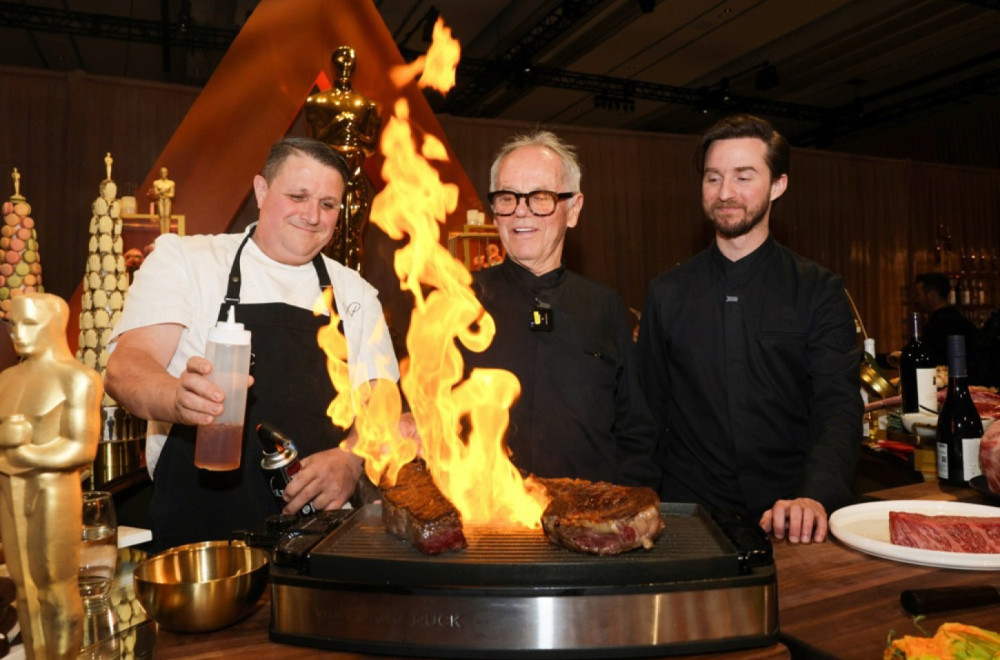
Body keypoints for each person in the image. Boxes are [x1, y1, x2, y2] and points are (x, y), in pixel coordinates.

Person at [105, 137, 401, 552]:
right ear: (262, 191)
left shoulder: (355, 293)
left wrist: (352, 458)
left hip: (321, 536)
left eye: (328, 204)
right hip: (201, 536)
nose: (313, 215)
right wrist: (176, 398)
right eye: (298, 196)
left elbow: (382, 401)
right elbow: (126, 366)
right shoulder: (188, 261)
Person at [638, 115, 862, 544]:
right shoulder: (666, 293)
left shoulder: (818, 289)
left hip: (790, 515)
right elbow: (647, 411)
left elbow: (837, 406)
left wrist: (814, 495)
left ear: (778, 185)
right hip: (690, 516)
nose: (725, 193)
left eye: (744, 177)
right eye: (713, 178)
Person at [460, 130, 660, 488]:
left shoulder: (603, 306)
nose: (521, 211)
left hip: (588, 525)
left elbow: (636, 432)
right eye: (507, 197)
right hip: (486, 523)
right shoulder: (458, 300)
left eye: (540, 197)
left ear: (574, 209)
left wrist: (625, 510)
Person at [0, 293, 102, 659]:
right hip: (9, 491)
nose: (18, 333)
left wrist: (23, 450)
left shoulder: (78, 379)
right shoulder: (7, 379)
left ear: (54, 325)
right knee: (24, 588)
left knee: (55, 588)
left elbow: (80, 449)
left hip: (52, 490)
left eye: (30, 324)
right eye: (13, 324)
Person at [304, 45, 381, 272]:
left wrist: (354, 132)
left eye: (349, 63)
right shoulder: (317, 103)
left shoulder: (366, 106)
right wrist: (338, 123)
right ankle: (323, 286)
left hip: (355, 178)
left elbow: (371, 147)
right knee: (324, 233)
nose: (345, 67)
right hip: (325, 179)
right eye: (340, 63)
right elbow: (314, 142)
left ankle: (353, 287)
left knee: (354, 235)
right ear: (333, 66)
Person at [913, 272, 987, 381]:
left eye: (918, 295)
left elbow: (930, 361)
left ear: (932, 295)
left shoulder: (938, 325)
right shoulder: (961, 320)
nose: (917, 300)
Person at [150, 166, 176, 234]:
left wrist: (164, 194)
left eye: (165, 172)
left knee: (167, 216)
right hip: (160, 200)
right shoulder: (156, 182)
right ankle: (162, 233)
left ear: (167, 173)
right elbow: (155, 193)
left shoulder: (171, 183)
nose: (163, 174)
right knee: (161, 216)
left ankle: (167, 233)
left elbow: (172, 194)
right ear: (160, 173)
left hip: (167, 200)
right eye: (162, 172)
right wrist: (161, 192)